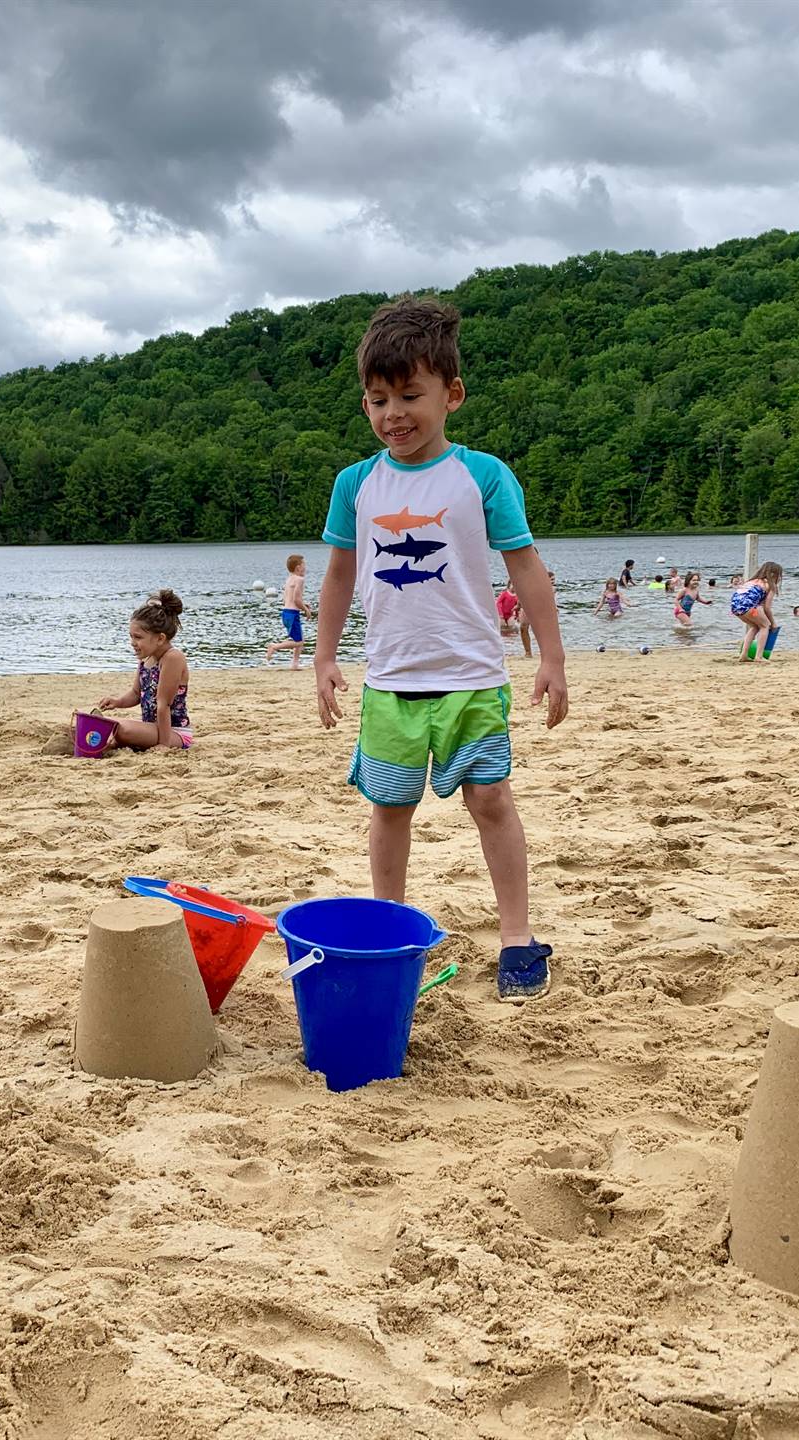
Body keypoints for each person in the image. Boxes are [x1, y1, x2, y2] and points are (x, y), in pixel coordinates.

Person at [312, 297, 567, 1003]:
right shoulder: (356, 484)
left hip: (473, 676)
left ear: (451, 395)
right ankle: (392, 929)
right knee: (389, 807)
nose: (394, 413)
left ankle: (517, 937)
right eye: (378, 399)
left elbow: (525, 567)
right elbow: (338, 573)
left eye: (410, 396)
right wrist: (324, 655)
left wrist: (552, 657)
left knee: (490, 797)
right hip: (390, 680)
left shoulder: (482, 475)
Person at [94, 590, 192, 749]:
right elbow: (135, 694)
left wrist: (163, 745)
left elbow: (164, 704)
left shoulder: (172, 658)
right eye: (131, 636)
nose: (132, 642)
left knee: (120, 728)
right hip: (151, 728)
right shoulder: (146, 659)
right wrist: (117, 701)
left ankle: (114, 739)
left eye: (138, 637)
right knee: (111, 728)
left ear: (160, 638)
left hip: (172, 732)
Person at [264, 555, 315, 668]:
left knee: (299, 638)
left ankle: (295, 664)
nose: (305, 568)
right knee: (299, 642)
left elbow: (287, 599)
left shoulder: (289, 579)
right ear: (298, 568)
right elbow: (296, 600)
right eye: (304, 565)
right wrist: (306, 610)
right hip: (292, 614)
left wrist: (303, 604)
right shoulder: (300, 580)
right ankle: (274, 646)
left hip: (286, 612)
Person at [729, 562, 784, 660]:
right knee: (765, 626)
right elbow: (767, 607)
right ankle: (759, 656)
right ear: (774, 574)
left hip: (735, 607)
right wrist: (773, 623)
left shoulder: (751, 581)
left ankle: (744, 654)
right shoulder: (770, 585)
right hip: (749, 605)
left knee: (755, 626)